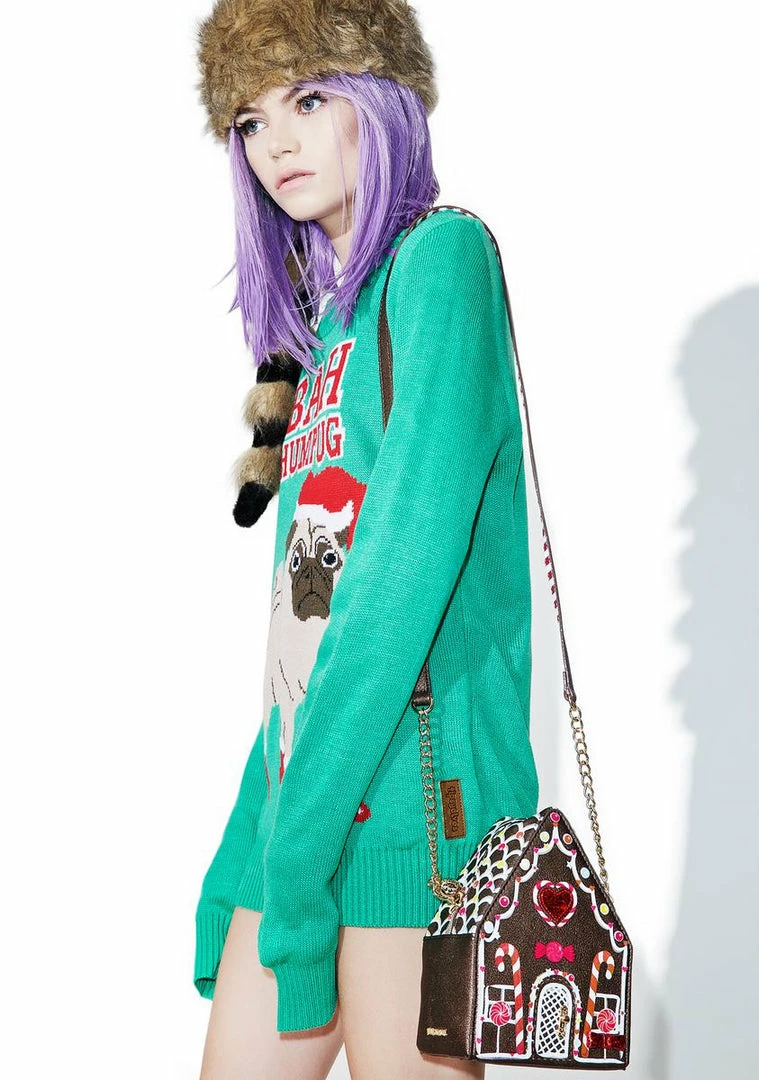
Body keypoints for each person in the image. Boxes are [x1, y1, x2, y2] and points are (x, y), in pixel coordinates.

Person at [191, 2, 539, 1077]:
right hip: (303, 811)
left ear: (378, 100)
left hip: (413, 824)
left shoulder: (442, 263)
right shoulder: (319, 325)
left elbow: (394, 589)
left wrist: (292, 844)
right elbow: (302, 630)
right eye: (250, 120)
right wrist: (251, 839)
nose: (276, 143)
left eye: (307, 99)